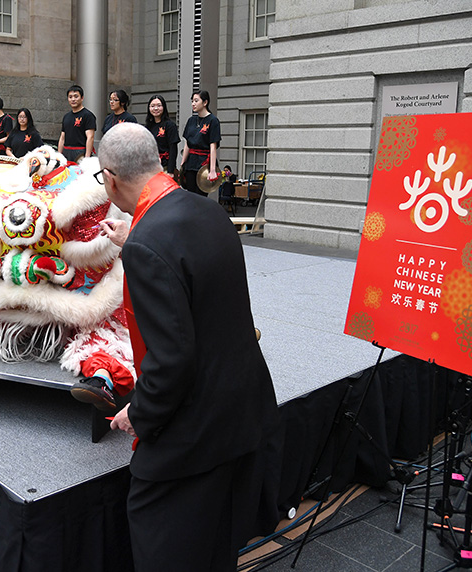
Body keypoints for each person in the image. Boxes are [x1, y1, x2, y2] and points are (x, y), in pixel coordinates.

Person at [100, 124, 279, 571]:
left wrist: (139, 413)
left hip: (193, 431)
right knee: (214, 542)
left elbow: (172, 360)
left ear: (110, 176)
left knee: (163, 537)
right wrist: (136, 239)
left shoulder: (147, 242)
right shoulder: (206, 211)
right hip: (242, 407)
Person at [179, 90, 221, 196]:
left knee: (201, 196)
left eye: (196, 101)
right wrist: (182, 165)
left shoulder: (213, 120)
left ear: (205, 102)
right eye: (192, 101)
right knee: (190, 194)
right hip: (191, 162)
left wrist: (212, 170)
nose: (193, 104)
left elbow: (213, 146)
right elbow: (187, 144)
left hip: (204, 163)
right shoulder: (191, 120)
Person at [58, 84, 96, 162]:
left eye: (76, 96)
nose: (73, 99)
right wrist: (59, 156)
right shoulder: (66, 116)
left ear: (82, 98)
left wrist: (87, 158)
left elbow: (90, 137)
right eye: (70, 97)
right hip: (66, 152)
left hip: (80, 152)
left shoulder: (88, 115)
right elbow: (62, 137)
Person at [144, 95, 180, 175]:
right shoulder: (148, 127)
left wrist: (170, 171)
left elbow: (173, 149)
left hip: (165, 165)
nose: (156, 108)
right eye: (152, 106)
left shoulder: (170, 125)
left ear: (164, 107)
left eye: (159, 106)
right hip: (151, 166)